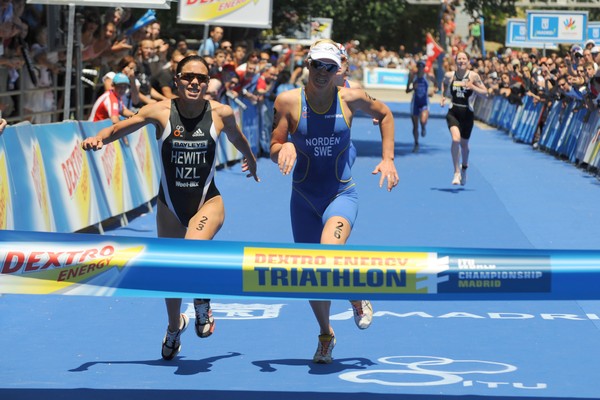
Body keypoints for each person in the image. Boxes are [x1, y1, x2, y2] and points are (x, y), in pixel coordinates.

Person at [81, 55, 259, 360]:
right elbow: (121, 128)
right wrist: (99, 138)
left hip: (207, 202)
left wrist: (250, 157)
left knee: (190, 253)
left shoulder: (221, 113)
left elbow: (237, 137)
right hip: (170, 206)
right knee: (170, 274)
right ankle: (174, 326)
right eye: (188, 77)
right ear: (176, 80)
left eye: (201, 78)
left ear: (207, 83)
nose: (195, 83)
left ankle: (202, 304)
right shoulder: (160, 112)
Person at [270, 40, 399, 364]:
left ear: (338, 70)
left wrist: (388, 159)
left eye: (330, 67)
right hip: (302, 199)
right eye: (317, 66)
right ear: (308, 65)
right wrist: (281, 150)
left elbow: (384, 114)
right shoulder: (288, 101)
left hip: (340, 194)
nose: (323, 73)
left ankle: (356, 296)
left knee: (328, 253)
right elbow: (274, 143)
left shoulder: (350, 99)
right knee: (313, 276)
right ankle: (326, 334)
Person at [441, 51, 487, 186]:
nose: (461, 61)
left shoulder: (474, 76)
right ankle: (456, 172)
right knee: (455, 139)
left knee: (464, 145)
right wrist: (444, 96)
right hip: (453, 111)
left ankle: (464, 168)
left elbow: (485, 93)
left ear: (468, 61)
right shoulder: (450, 75)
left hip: (467, 114)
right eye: (459, 58)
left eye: (464, 59)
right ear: (456, 61)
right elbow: (443, 84)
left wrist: (472, 86)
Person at [406, 60, 430, 152]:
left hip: (424, 102)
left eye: (422, 67)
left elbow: (436, 84)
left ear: (424, 68)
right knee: (415, 125)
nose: (420, 69)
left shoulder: (428, 76)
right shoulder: (413, 76)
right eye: (419, 67)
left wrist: (434, 90)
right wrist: (413, 87)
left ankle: (423, 127)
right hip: (415, 103)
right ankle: (416, 143)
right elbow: (407, 90)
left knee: (423, 120)